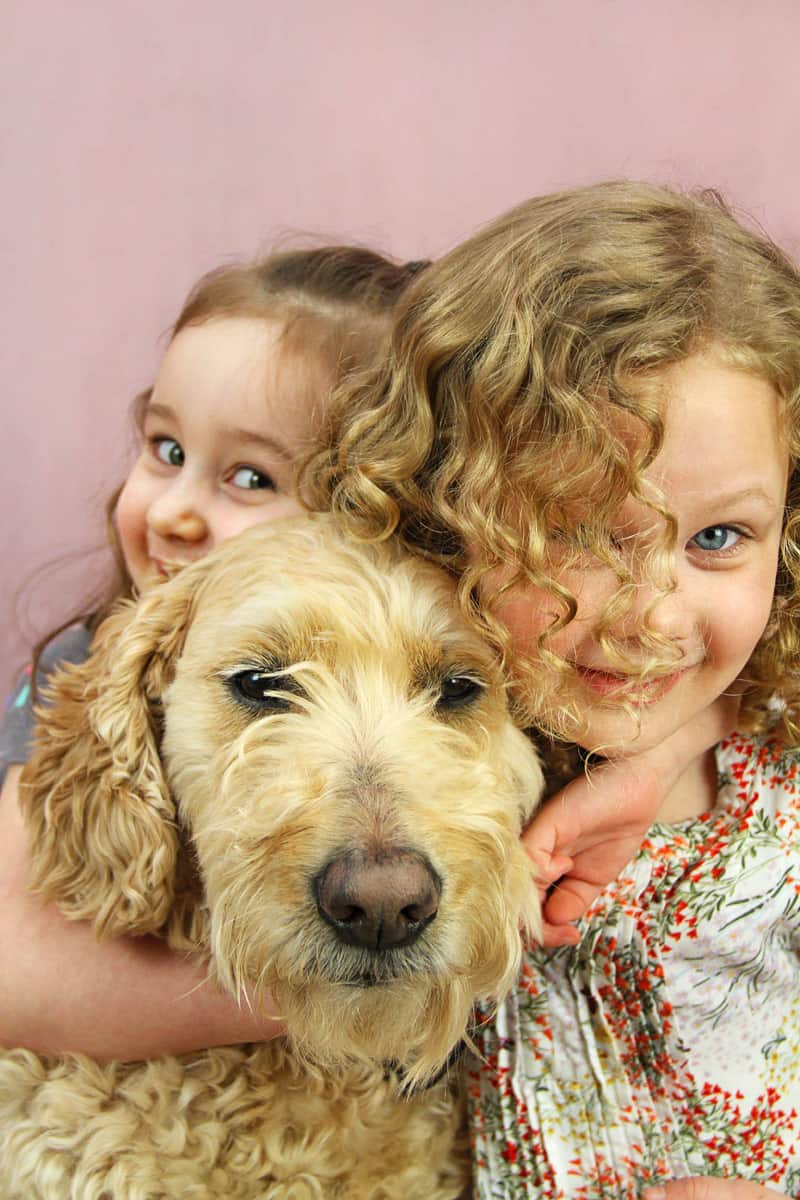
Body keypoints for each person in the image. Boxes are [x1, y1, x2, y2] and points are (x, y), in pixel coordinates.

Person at [300, 182, 800, 1197]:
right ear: (444, 509)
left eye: (717, 539)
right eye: (575, 534)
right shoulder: (420, 770)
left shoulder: (775, 778)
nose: (650, 615)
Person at [0, 243, 426, 1058]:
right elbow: (14, 974)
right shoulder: (81, 663)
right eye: (166, 451)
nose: (172, 513)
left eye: (251, 477)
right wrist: (331, 974)